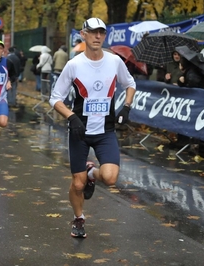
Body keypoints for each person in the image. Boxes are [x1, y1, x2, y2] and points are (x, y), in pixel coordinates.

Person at [49, 17, 136, 238]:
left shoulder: (114, 61)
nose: (98, 36)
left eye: (102, 33)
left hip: (105, 131)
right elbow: (55, 98)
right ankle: (79, 219)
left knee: (110, 177)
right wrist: (71, 117)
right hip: (80, 131)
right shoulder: (74, 65)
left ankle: (91, 172)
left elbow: (130, 84)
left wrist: (126, 108)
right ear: (83, 34)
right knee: (77, 184)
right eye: (93, 32)